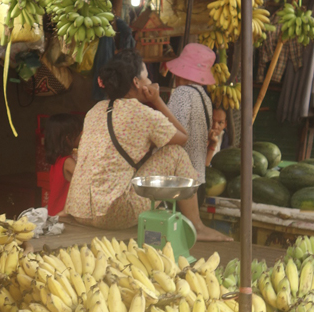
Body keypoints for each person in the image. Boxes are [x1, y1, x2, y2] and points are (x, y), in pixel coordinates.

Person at [65, 49, 229, 240]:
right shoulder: (142, 113)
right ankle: (197, 227)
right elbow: (183, 138)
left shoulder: (95, 110)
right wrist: (157, 100)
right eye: (147, 77)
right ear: (136, 82)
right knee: (175, 153)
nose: (152, 82)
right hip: (111, 215)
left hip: (78, 210)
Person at [163, 43, 219, 183]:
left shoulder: (182, 93)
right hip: (197, 179)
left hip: (180, 182)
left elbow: (173, 134)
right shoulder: (204, 98)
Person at [44, 113, 83, 216]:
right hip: (62, 216)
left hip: (53, 212)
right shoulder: (68, 162)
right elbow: (85, 182)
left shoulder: (57, 160)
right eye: (79, 134)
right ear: (68, 138)